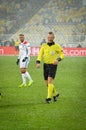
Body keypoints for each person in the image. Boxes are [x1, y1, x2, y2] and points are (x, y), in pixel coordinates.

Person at [36, 32, 64, 103]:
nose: (50, 38)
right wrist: (38, 62)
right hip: (45, 65)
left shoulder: (57, 46)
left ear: (53, 38)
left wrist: (58, 59)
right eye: (49, 37)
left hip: (53, 66)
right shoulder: (44, 45)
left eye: (51, 37)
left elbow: (62, 54)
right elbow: (40, 54)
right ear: (47, 38)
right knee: (47, 84)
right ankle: (55, 94)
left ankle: (48, 98)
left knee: (50, 81)